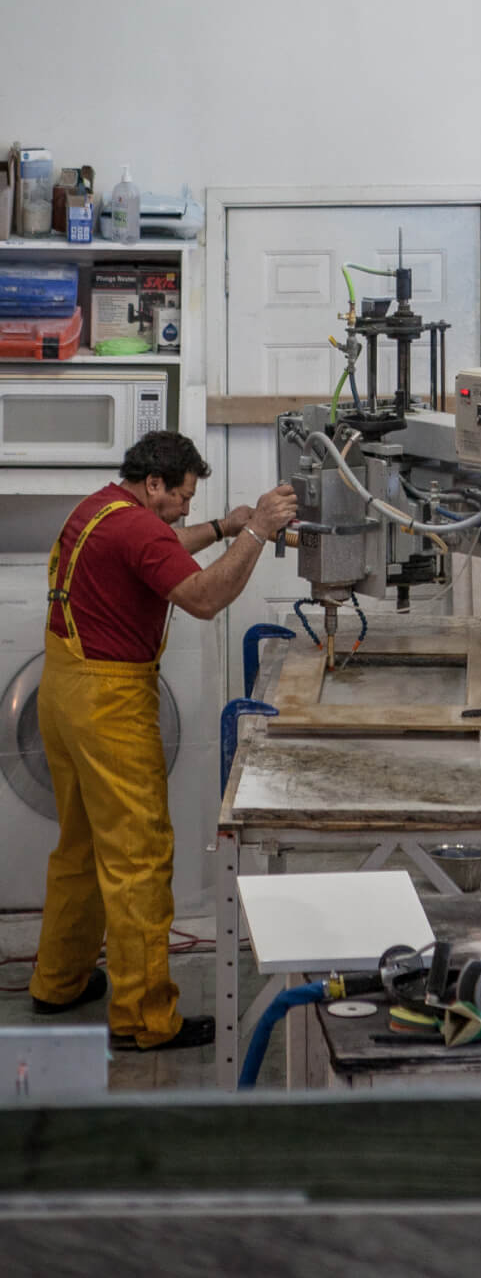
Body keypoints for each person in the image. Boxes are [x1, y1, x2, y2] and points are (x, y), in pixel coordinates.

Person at [29, 431, 297, 1051]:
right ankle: (144, 1020)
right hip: (109, 704)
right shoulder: (138, 529)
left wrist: (224, 528)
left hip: (62, 693)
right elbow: (202, 598)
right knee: (139, 860)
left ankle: (58, 982)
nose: (184, 508)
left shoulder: (99, 508)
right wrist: (258, 531)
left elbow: (162, 548)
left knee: (80, 847)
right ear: (154, 484)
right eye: (182, 496)